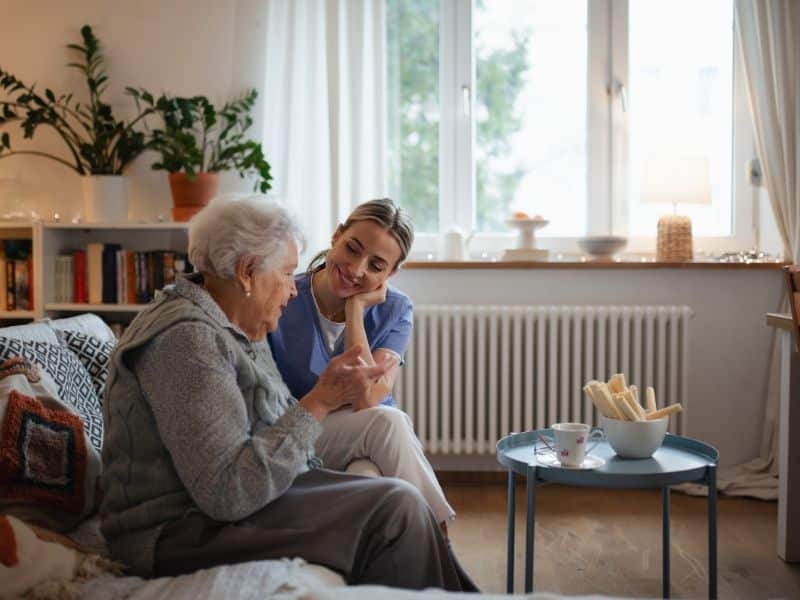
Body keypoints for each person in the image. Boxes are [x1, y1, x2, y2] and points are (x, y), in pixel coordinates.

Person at [99, 195, 476, 591]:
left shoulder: (233, 316)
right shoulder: (188, 341)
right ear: (247, 272)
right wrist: (322, 399)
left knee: (395, 498)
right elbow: (227, 493)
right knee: (394, 508)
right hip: (175, 529)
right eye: (285, 273)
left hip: (221, 502)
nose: (293, 290)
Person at [269, 198, 455, 530]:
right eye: (352, 249)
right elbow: (371, 405)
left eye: (376, 265)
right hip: (303, 430)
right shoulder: (285, 294)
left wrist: (355, 309)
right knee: (387, 422)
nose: (357, 269)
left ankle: (390, 565)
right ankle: (439, 538)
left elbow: (367, 397)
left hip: (364, 438)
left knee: (367, 477)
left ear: (392, 273)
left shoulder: (396, 309)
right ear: (336, 236)